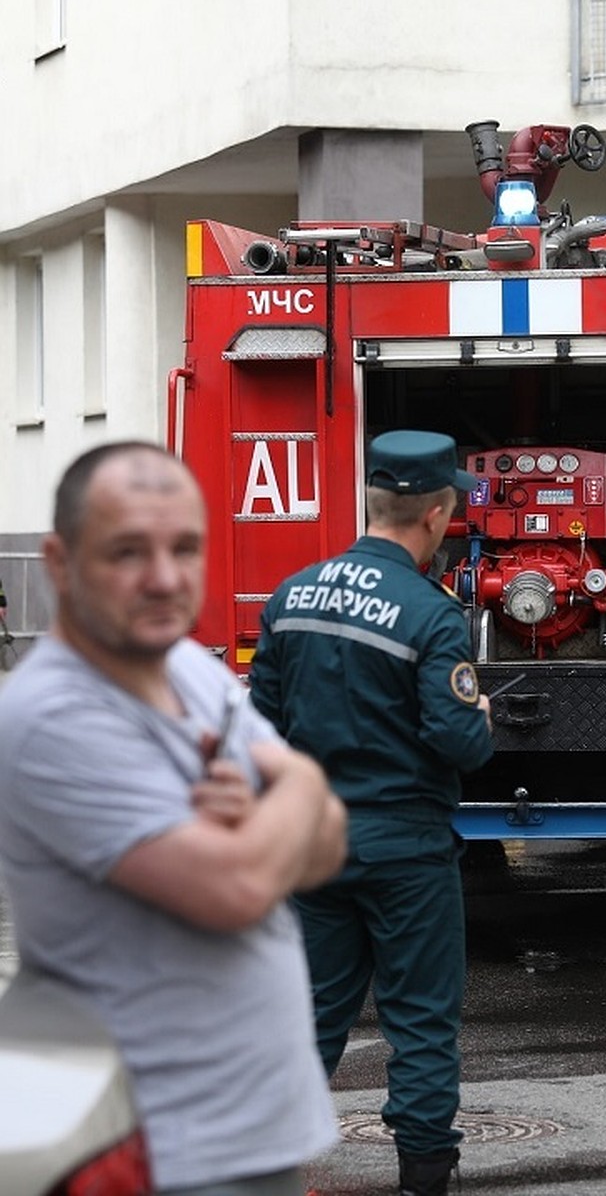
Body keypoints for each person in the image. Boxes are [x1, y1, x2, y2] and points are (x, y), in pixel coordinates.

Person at [0, 441, 348, 1195]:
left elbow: (328, 845)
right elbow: (241, 888)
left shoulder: (188, 668)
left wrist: (276, 811)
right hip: (150, 1151)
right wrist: (298, 778)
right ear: (59, 563)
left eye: (184, 548)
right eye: (127, 552)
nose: (164, 579)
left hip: (247, 1134)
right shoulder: (53, 715)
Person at [248, 429, 495, 1196]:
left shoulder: (291, 598)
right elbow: (460, 742)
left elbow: (259, 732)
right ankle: (422, 1179)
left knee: (308, 1018)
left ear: (374, 504)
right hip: (406, 852)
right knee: (419, 1021)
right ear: (436, 517)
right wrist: (480, 715)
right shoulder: (430, 615)